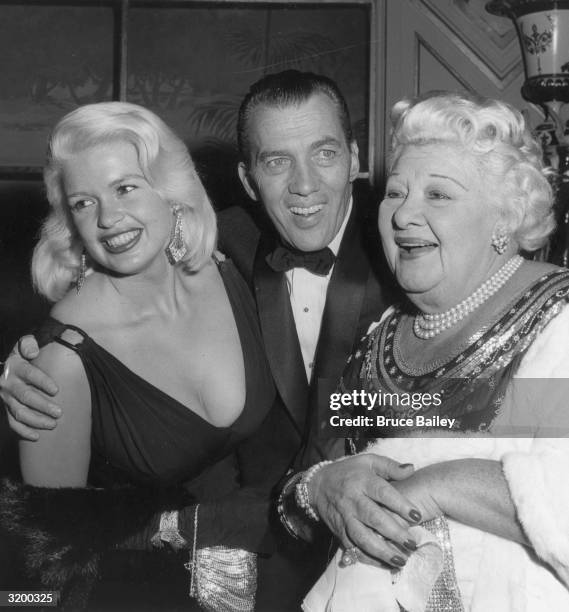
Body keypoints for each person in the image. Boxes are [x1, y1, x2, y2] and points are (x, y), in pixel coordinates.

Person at [1, 72, 425, 608]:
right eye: (276, 162)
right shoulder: (232, 243)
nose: (304, 186)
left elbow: (531, 398)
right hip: (211, 579)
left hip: (395, 559)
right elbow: (36, 558)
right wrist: (16, 370)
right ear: (248, 180)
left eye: (324, 153)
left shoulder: (414, 244)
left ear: (356, 157)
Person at [0, 101, 278, 610]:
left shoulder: (235, 255)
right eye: (84, 203)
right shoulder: (62, 362)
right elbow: (39, 569)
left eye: (125, 187)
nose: (108, 218)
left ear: (171, 190)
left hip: (279, 569)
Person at [297, 92, 569, 611]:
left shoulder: (557, 318)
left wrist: (432, 485)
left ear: (504, 219)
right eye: (395, 194)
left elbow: (561, 495)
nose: (403, 216)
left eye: (438, 195)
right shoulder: (382, 334)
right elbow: (316, 465)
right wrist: (325, 485)